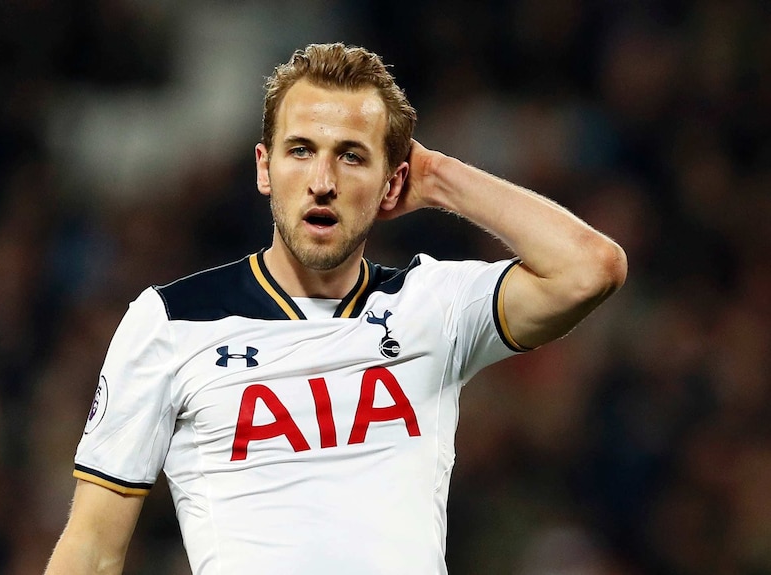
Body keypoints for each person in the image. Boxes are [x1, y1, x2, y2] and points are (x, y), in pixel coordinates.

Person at [45, 42, 627, 575]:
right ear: (264, 168)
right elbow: (92, 550)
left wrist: (439, 177)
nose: (322, 180)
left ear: (391, 184)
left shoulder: (434, 306)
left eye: (351, 157)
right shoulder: (170, 322)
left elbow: (590, 269)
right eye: (300, 151)